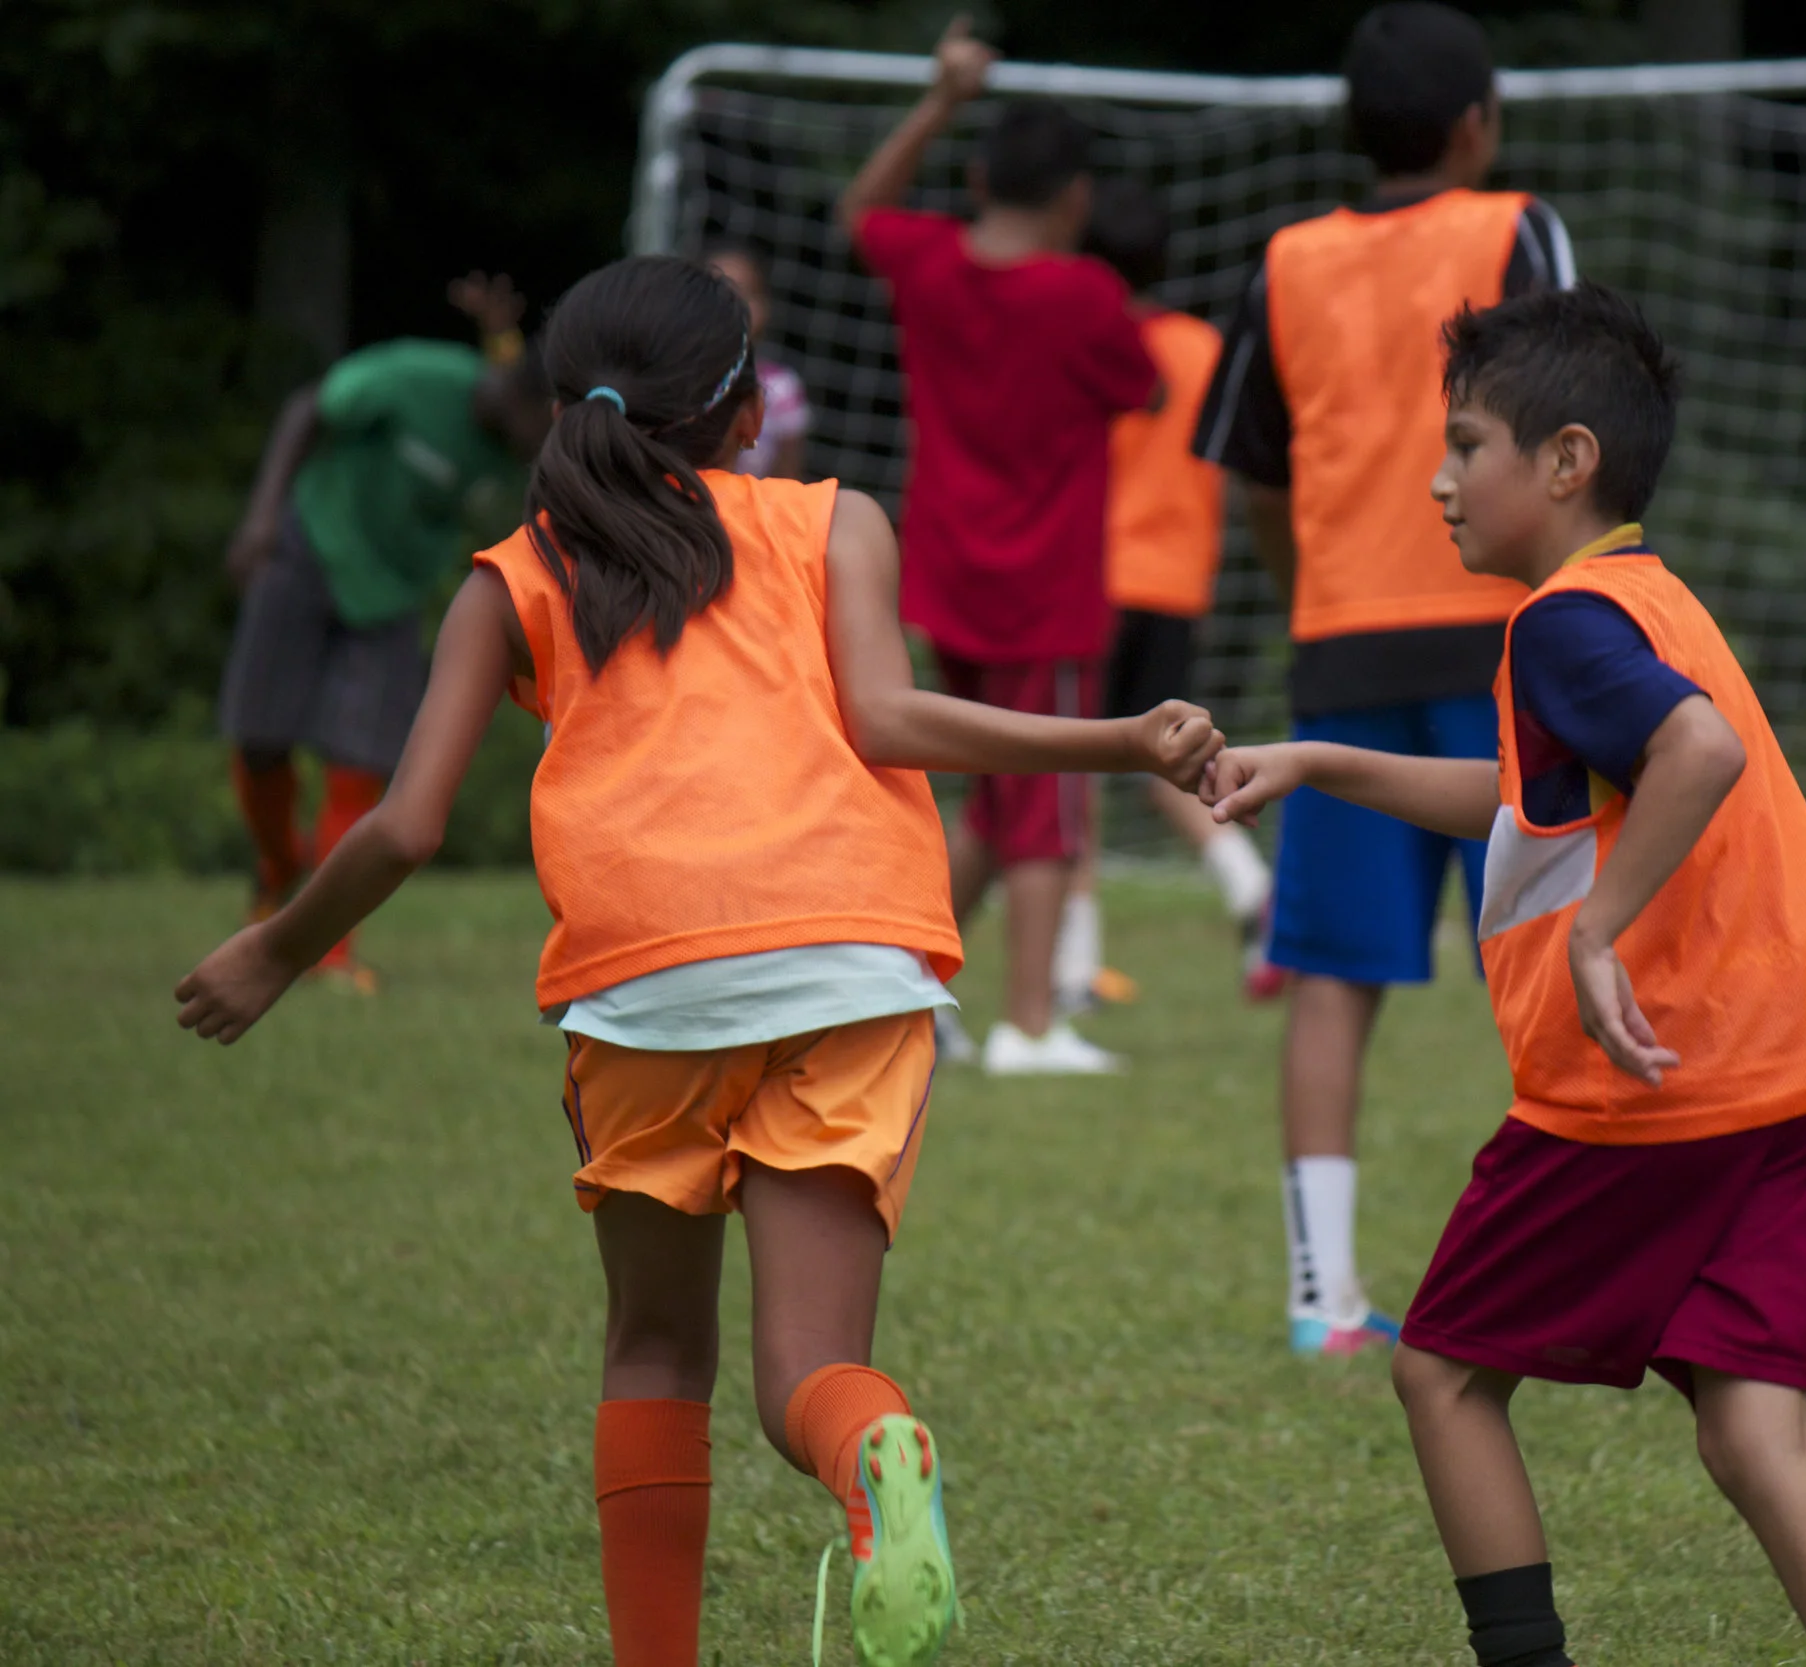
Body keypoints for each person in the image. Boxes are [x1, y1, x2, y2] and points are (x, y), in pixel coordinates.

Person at [173, 256, 1221, 1667]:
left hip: (649, 987)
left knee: (656, 1352)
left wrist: (274, 947)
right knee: (811, 1372)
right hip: (852, 966)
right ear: (745, 417)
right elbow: (896, 717)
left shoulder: (512, 574)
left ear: (560, 408)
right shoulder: (833, 518)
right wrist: (1118, 738)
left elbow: (408, 821)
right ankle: (876, 1448)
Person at [1201, 285, 1806, 1667]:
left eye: (1466, 444)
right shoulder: (1650, 603)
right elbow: (1540, 799)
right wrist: (1321, 763)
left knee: (1444, 1369)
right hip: (1797, 1066)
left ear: (1568, 460)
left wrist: (1598, 934)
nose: (1438, 478)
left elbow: (1695, 756)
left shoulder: (1565, 621)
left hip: (1657, 1077)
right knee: (1753, 1429)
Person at [1194, 0, 1578, 1357]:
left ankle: (1322, 1300)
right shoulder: (1515, 228)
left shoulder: (1286, 258)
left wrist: (1316, 578)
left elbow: (1247, 467)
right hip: (1504, 642)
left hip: (1341, 646)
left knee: (1327, 976)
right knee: (1543, 958)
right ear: (1477, 123)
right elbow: (1569, 416)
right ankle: (1574, 1266)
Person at [840, 21, 1161, 1077]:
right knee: (1048, 815)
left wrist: (937, 98)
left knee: (990, 797)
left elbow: (860, 212)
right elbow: (1143, 387)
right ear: (1076, 198)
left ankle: (902, 985)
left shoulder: (928, 261)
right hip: (1045, 590)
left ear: (976, 175)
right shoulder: (1085, 297)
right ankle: (1029, 1023)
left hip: (945, 573)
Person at [219, 274, 550, 988]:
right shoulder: (419, 379)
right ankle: (277, 866)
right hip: (310, 548)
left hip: (392, 591)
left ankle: (328, 951)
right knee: (260, 738)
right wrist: (261, 518)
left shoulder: (516, 443)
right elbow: (309, 407)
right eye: (544, 429)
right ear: (516, 403)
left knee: (361, 757)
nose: (542, 449)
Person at [1050, 176, 1277, 1017]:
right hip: (1177, 582)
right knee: (1165, 766)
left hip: (1092, 581)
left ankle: (1073, 966)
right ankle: (1252, 888)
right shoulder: (1205, 347)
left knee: (1072, 778)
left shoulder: (1081, 338)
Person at [704, 242, 812, 478]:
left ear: (765, 306)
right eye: (720, 293)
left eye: (746, 293)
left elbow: (788, 478)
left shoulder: (784, 388)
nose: (733, 307)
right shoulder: (676, 379)